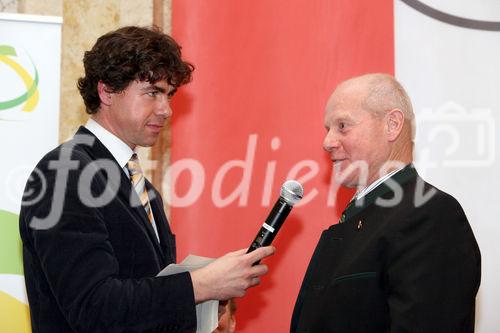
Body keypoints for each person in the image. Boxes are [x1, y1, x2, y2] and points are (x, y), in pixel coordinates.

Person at [19, 26, 274, 333]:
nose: (166, 110)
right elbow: (93, 309)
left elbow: (142, 307)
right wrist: (200, 285)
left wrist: (204, 301)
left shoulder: (144, 190)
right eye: (152, 93)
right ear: (107, 91)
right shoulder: (63, 172)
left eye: (169, 94)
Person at [291, 73, 481, 332]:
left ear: (392, 125)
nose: (327, 142)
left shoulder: (429, 216)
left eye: (343, 126)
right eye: (328, 129)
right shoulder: (360, 219)